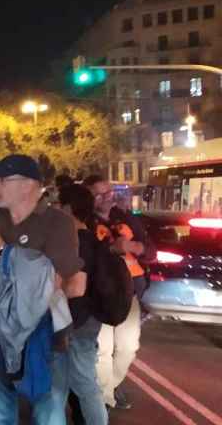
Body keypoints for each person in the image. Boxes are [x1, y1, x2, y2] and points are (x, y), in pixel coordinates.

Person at [0, 154, 86, 425]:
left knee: (48, 412)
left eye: (0, 180)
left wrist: (4, 251)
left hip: (43, 334)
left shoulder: (58, 223)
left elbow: (51, 283)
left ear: (27, 185)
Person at [83, 175, 146, 411]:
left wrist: (137, 247)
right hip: (100, 292)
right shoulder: (86, 221)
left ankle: (108, 390)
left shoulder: (124, 217)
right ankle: (104, 401)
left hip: (128, 292)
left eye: (108, 192)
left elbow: (148, 248)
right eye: (99, 194)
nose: (107, 198)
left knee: (129, 347)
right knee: (103, 351)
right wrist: (110, 248)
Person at [57, 184, 109, 425]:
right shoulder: (90, 238)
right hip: (84, 319)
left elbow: (76, 287)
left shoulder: (77, 242)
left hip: (77, 321)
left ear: (68, 208)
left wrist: (46, 293)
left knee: (85, 385)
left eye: (58, 204)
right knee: (66, 384)